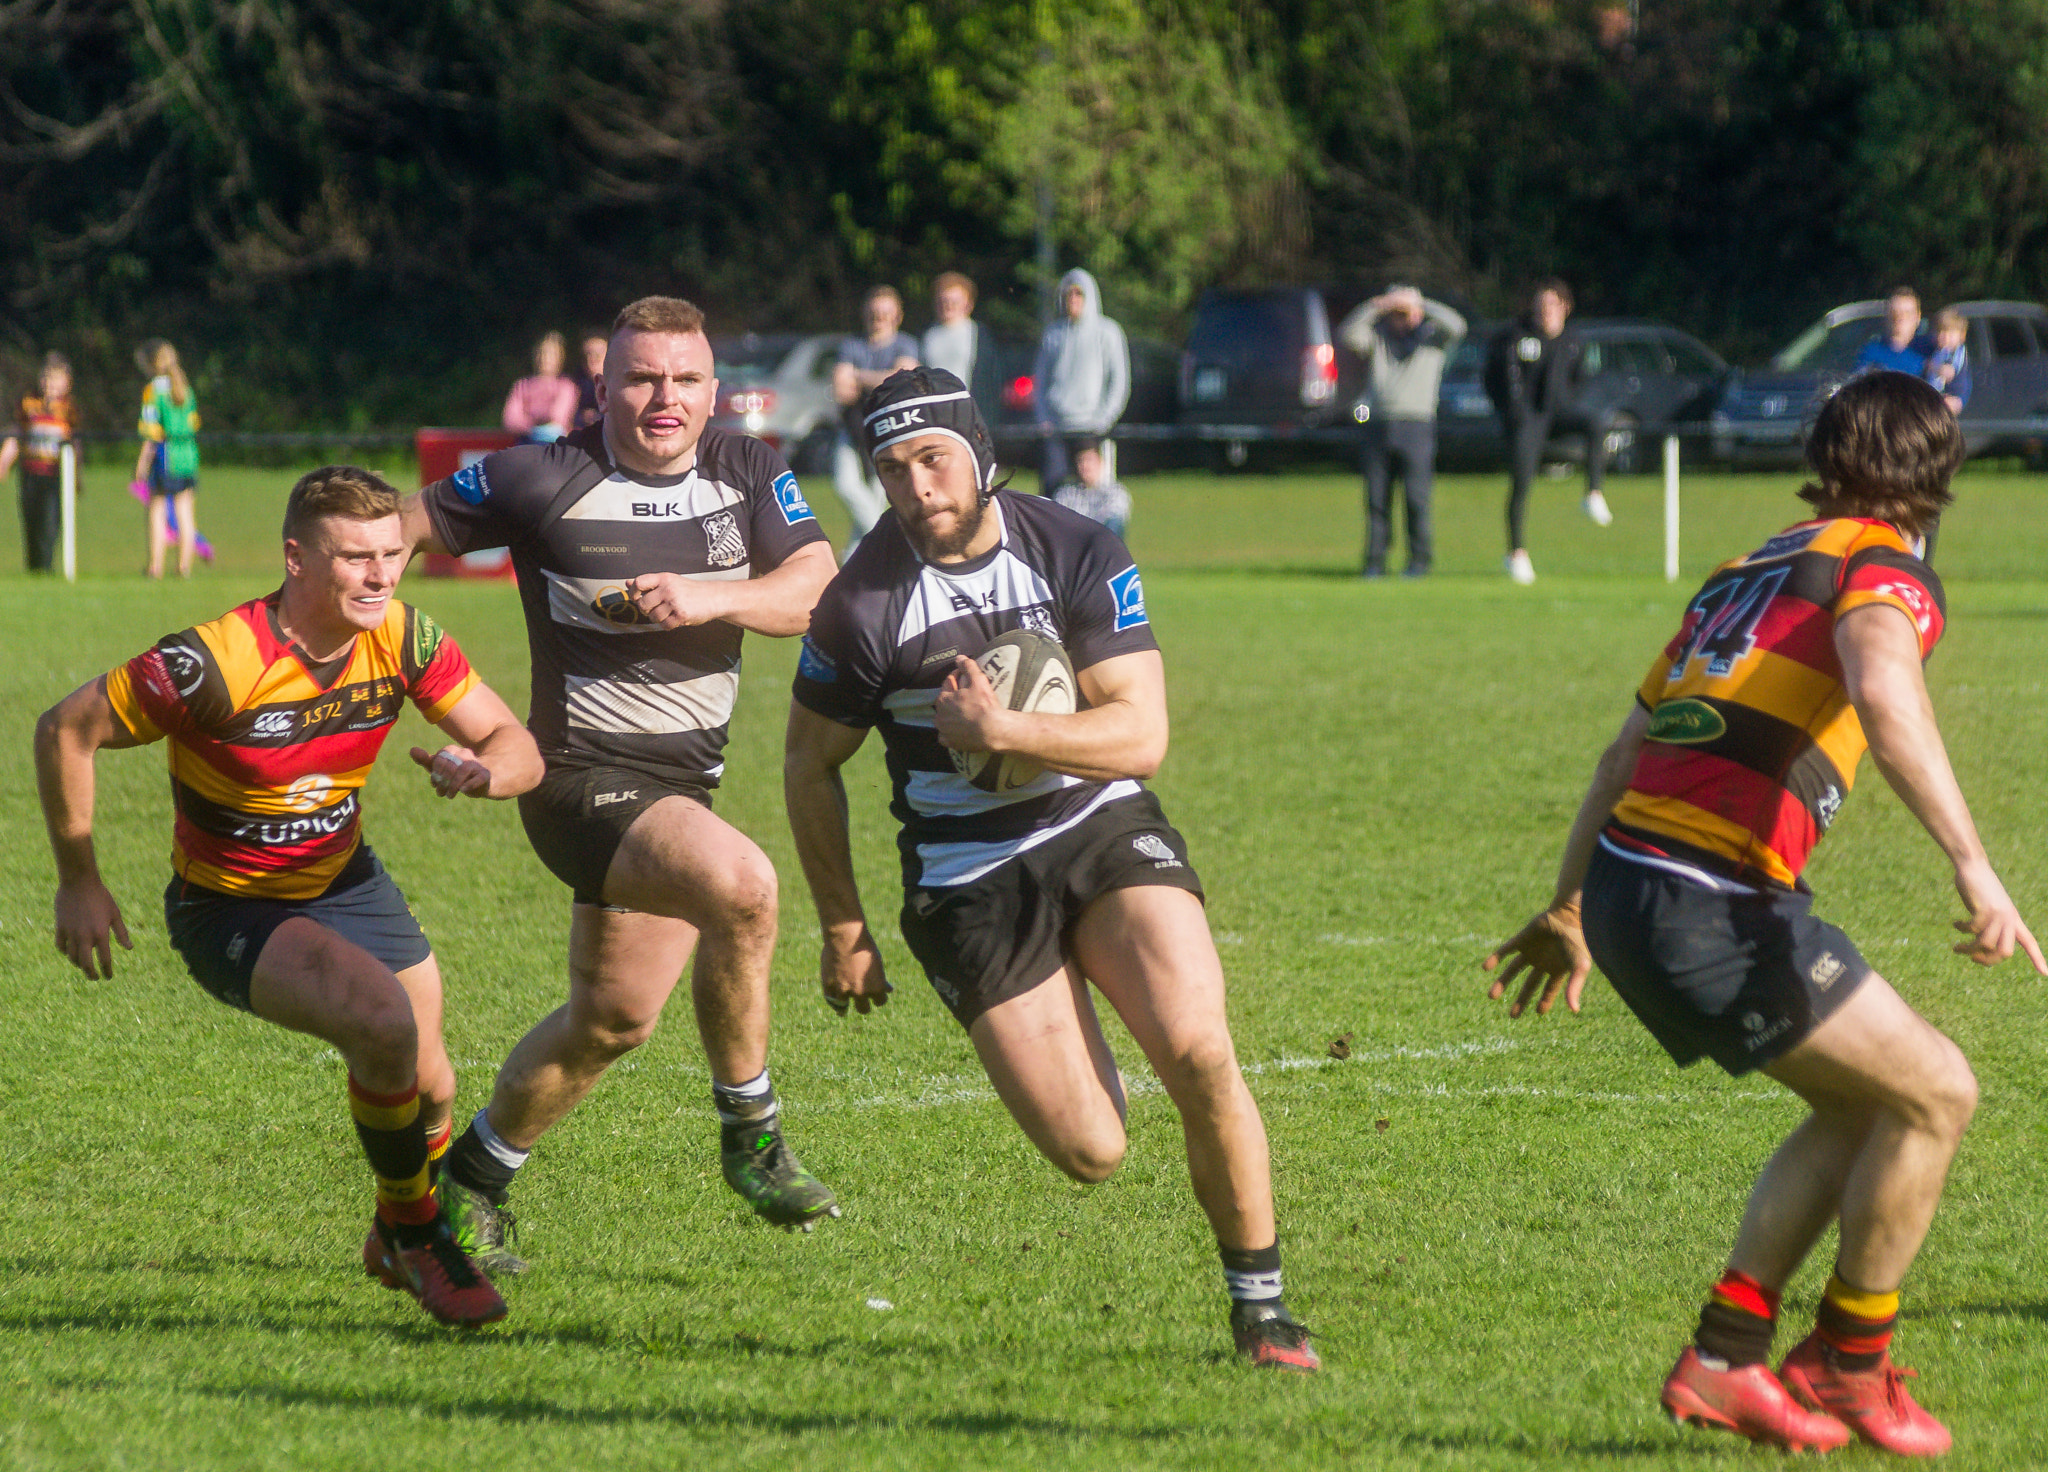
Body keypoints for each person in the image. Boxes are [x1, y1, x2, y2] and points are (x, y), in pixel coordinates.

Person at [1480, 371, 2043, 1456]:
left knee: (1860, 1108)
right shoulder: (1881, 567)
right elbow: (1882, 693)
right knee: (1936, 1092)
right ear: (1936, 473)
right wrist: (1974, 865)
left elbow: (1619, 752)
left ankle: (1727, 1355)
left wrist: (1569, 905)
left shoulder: (1748, 569)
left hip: (1630, 882)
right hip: (1707, 893)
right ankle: (1846, 1363)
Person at [784, 367, 1319, 1372]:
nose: (917, 488)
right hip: (964, 874)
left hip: (1097, 822)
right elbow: (807, 762)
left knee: (1199, 1046)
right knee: (1092, 1149)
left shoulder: (1073, 547)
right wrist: (841, 923)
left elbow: (1141, 732)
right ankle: (1060, 1015)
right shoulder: (858, 604)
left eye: (933, 459)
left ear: (980, 454)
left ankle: (1262, 1309)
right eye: (891, 470)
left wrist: (1008, 728)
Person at [35, 465, 543, 1328]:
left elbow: (515, 741)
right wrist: (79, 879)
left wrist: (484, 769)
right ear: (296, 559)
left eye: (391, 553)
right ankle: (419, 1239)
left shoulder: (404, 638)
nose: (380, 575)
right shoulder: (209, 664)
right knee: (381, 1023)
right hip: (230, 905)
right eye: (355, 558)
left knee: (431, 1079)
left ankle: (395, 1229)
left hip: (344, 879)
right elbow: (65, 728)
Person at [402, 295, 843, 1273]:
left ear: (714, 390)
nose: (664, 398)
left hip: (679, 789)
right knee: (743, 884)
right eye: (641, 378)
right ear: (601, 387)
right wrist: (371, 658)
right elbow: (390, 534)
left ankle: (459, 1188)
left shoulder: (748, 469)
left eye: (685, 380)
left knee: (611, 1019)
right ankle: (753, 1136)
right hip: (575, 781)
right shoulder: (536, 474)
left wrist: (711, 594)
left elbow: (818, 582)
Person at [1485, 280, 1613, 585]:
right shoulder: (1517, 337)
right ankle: (1516, 553)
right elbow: (1497, 377)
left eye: (1552, 305)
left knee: (1596, 422)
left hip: (1558, 414)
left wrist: (1568, 397)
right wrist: (1512, 413)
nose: (1546, 312)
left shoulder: (1572, 340)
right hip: (1527, 419)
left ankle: (1593, 493)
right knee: (1521, 485)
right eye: (1541, 305)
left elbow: (1580, 376)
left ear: (1565, 308)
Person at [1337, 286, 1466, 578]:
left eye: (1405, 313)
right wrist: (1376, 306)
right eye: (1395, 314)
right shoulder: (1378, 337)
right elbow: (1347, 334)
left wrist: (1420, 304)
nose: (1401, 319)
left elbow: (1458, 325)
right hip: (1378, 424)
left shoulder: (1433, 339)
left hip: (1417, 425)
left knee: (1416, 499)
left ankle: (1419, 562)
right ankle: (1375, 563)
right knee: (1377, 500)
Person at [831, 286, 921, 549]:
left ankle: (854, 560)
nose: (878, 318)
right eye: (874, 312)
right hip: (852, 427)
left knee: (877, 492)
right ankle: (895, 540)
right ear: (865, 314)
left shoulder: (906, 343)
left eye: (885, 313)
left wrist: (858, 377)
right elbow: (841, 391)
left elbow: (902, 379)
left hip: (889, 431)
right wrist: (879, 379)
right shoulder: (851, 344)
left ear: (897, 316)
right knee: (845, 484)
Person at [1032, 269, 1130, 491]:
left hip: (1092, 429)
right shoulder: (1052, 335)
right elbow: (1040, 379)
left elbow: (1119, 380)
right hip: (1056, 428)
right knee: (1053, 494)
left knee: (1095, 494)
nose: (1073, 300)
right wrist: (1044, 419)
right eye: (1068, 295)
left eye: (1079, 294)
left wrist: (1105, 419)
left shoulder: (1108, 332)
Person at [1, 352, 77, 573]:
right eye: (45, 378)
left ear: (67, 383)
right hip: (31, 472)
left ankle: (45, 566)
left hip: (54, 474)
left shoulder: (69, 409)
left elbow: (75, 444)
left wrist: (76, 476)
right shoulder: (29, 403)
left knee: (49, 522)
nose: (48, 384)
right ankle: (33, 567)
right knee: (31, 520)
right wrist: (4, 461)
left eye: (54, 379)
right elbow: (18, 434)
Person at [132, 340, 202, 580]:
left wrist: (141, 464)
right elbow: (194, 423)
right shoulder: (186, 387)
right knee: (185, 510)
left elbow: (151, 430)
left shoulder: (154, 389)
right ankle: (184, 566)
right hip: (189, 455)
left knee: (157, 509)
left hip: (166, 455)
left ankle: (155, 567)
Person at [921, 271, 1002, 427]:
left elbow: (993, 380)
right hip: (934, 416)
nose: (948, 306)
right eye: (943, 301)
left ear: (968, 304)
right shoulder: (927, 335)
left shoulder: (979, 334)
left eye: (954, 301)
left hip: (970, 414)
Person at [503, 331, 580, 443]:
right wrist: (533, 427)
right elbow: (510, 420)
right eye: (541, 353)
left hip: (554, 443)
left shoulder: (566, 386)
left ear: (560, 358)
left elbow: (557, 419)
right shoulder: (522, 385)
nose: (545, 358)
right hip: (525, 441)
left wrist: (530, 417)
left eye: (551, 354)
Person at [1046, 438, 1131, 539]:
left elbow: (1114, 521)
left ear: (1100, 462)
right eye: (1080, 461)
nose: (1085, 466)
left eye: (1089, 460)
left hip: (1101, 544)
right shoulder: (1066, 492)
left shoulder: (1115, 491)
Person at [1854, 287, 1933, 376]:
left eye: (1907, 313)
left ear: (1918, 317)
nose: (1900, 318)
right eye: (1894, 312)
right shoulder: (1871, 350)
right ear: (1887, 315)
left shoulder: (1931, 351)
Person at [1921, 308, 1971, 416]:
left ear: (1961, 336)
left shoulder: (1956, 352)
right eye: (1940, 332)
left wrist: (1932, 366)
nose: (1944, 337)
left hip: (1950, 394)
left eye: (1950, 333)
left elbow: (1949, 372)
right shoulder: (1939, 350)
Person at [573, 333, 609, 429]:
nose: (591, 360)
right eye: (586, 356)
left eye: (597, 355)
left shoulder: (619, 388)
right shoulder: (575, 387)